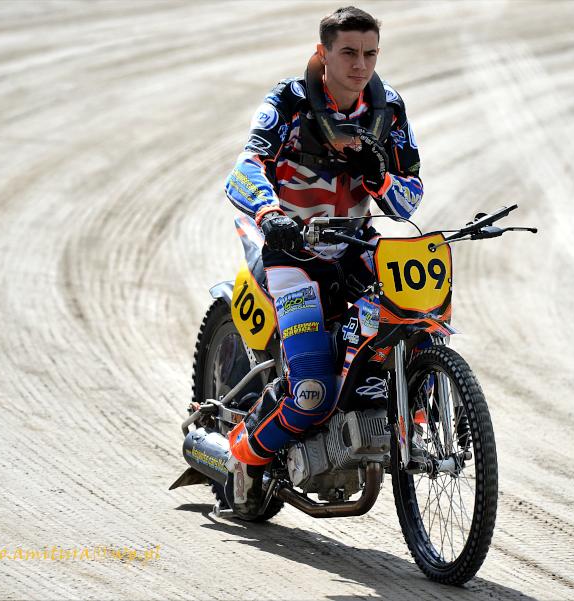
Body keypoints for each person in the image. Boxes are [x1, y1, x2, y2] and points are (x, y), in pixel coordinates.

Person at [221, 6, 423, 510]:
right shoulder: (288, 101)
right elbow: (244, 168)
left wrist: (378, 177)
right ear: (323, 53)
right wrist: (270, 213)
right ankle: (242, 458)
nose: (361, 65)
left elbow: (408, 201)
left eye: (370, 53)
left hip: (355, 246)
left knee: (410, 319)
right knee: (311, 391)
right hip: (289, 251)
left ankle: (398, 409)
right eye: (349, 52)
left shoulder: (389, 109)